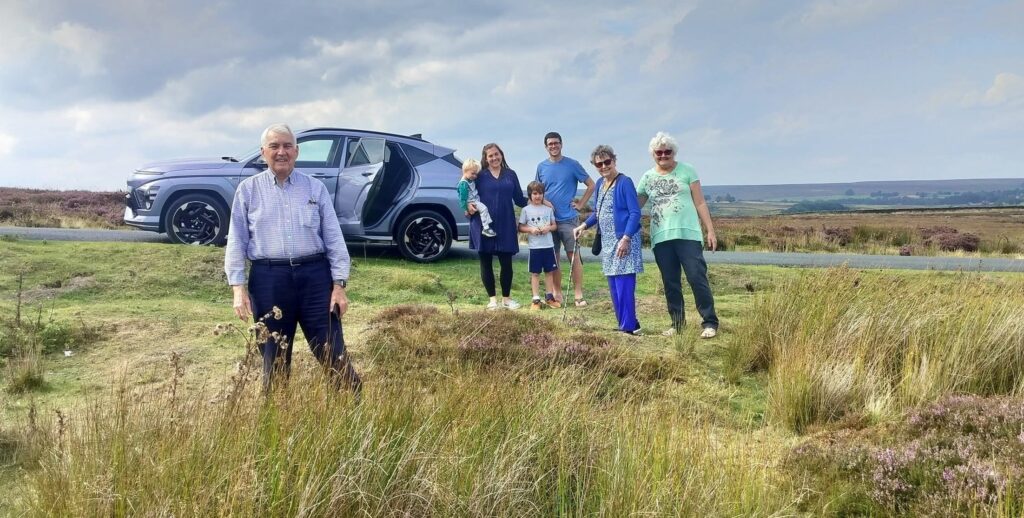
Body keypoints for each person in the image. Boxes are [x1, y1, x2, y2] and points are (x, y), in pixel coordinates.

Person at [224, 123, 362, 391]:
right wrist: (238, 289)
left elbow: (334, 238)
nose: (281, 152)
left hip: (315, 279)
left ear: (296, 151)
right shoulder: (248, 190)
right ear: (263, 152)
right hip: (269, 281)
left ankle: (353, 410)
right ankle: (276, 414)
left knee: (333, 353)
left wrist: (339, 285)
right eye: (274, 146)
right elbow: (237, 240)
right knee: (273, 360)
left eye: (287, 146)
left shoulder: (315, 188)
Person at [637, 131, 719, 339]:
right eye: (659, 152)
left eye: (667, 152)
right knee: (670, 282)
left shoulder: (687, 170)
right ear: (653, 154)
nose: (663, 155)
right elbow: (635, 206)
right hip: (661, 237)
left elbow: (700, 202)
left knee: (696, 277)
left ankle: (709, 322)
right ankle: (677, 324)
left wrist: (710, 230)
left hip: (688, 234)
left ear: (673, 152)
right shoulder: (647, 178)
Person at [573, 145, 643, 336]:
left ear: (614, 160)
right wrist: (583, 226)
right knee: (613, 285)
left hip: (624, 241)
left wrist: (626, 238)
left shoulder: (625, 182)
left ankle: (628, 326)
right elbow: (598, 212)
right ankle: (627, 323)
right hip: (608, 242)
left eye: (607, 162)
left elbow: (635, 213)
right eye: (599, 164)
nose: (603, 166)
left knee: (624, 284)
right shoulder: (600, 183)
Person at [536, 131, 596, 307]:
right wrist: (545, 202)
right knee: (553, 258)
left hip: (569, 219)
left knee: (573, 256)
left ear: (561, 144)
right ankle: (557, 294)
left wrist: (581, 204)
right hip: (548, 221)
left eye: (556, 143)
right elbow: (536, 191)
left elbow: (591, 185)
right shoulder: (541, 167)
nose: (553, 146)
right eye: (550, 144)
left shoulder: (572, 165)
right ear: (546, 147)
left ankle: (578, 294)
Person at [470, 143, 528, 310]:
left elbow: (519, 199)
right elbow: (464, 191)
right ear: (485, 158)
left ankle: (507, 300)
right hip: (483, 224)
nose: (494, 158)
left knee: (506, 263)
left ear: (501, 154)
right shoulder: (479, 175)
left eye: (497, 154)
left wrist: (540, 201)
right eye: (490, 156)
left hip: (505, 224)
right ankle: (492, 301)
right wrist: (466, 206)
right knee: (485, 262)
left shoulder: (511, 174)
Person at [518, 181, 560, 310]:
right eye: (535, 193)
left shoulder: (548, 209)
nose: (538, 196)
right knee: (535, 273)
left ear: (543, 194)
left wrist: (549, 228)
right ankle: (536, 299)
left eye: (540, 193)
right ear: (530, 195)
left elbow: (554, 225)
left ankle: (549, 298)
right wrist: (531, 230)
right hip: (535, 247)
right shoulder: (526, 210)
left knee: (549, 272)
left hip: (548, 246)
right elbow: (520, 227)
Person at [457, 159, 496, 237]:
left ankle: (486, 225)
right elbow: (462, 198)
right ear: (465, 171)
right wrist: (466, 209)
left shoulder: (470, 180)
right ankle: (486, 228)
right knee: (484, 209)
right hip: (472, 201)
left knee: (484, 210)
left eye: (476, 174)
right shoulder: (463, 184)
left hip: (475, 199)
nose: (475, 176)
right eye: (473, 173)